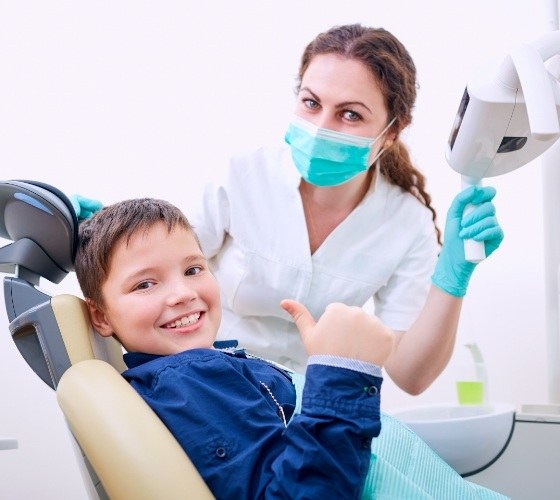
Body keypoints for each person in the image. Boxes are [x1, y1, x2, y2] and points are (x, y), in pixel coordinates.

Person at [71, 23, 504, 394]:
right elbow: (160, 269)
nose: (320, 128)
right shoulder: (240, 176)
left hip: (304, 404)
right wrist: (98, 234)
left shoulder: (405, 222)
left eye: (350, 115)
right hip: (209, 388)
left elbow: (409, 375)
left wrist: (452, 280)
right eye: (311, 103)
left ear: (393, 131)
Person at [74, 197, 508, 500]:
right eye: (146, 284)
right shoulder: (190, 382)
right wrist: (341, 372)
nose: (183, 293)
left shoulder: (202, 369)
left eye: (193, 268)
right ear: (101, 316)